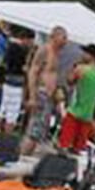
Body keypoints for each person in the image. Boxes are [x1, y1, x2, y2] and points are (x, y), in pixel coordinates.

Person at [22, 26, 69, 154]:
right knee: (34, 131)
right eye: (64, 38)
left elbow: (52, 74)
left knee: (39, 132)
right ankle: (22, 156)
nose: (66, 41)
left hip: (48, 96)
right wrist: (32, 96)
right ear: (55, 36)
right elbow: (33, 72)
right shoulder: (44, 50)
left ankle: (27, 156)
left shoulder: (56, 53)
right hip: (40, 94)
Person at [58, 44, 95, 153]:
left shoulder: (81, 68)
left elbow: (69, 81)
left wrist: (74, 67)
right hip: (88, 115)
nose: (83, 55)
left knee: (64, 145)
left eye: (85, 53)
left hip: (75, 111)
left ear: (92, 56)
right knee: (78, 149)